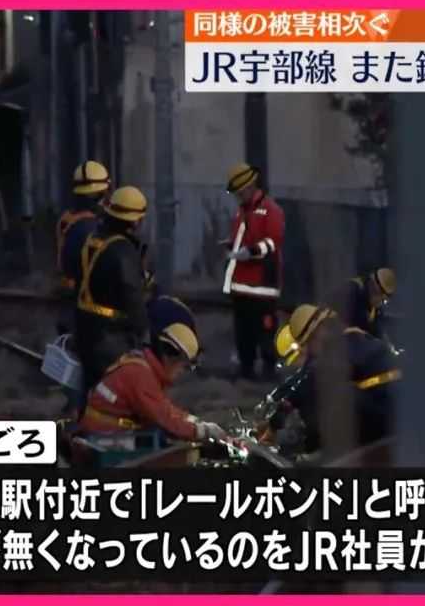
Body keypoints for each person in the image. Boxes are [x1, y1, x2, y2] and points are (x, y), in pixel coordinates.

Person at [267, 304, 401, 455]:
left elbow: (310, 385)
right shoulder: (353, 339)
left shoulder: (340, 348)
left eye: (309, 343)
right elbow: (307, 378)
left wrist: (275, 424)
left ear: (319, 332)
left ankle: (305, 451)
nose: (310, 350)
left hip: (386, 419)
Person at [73, 186, 151, 413]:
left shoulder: (93, 239)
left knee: (90, 387)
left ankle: (84, 423)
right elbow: (131, 295)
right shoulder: (123, 250)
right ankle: (104, 429)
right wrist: (143, 334)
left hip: (85, 325)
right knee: (111, 392)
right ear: (135, 221)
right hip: (111, 336)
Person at [79, 322, 226, 442]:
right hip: (102, 435)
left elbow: (164, 407)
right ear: (171, 357)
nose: (183, 372)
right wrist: (201, 431)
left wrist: (193, 420)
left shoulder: (142, 363)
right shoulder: (140, 375)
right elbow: (164, 420)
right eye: (185, 366)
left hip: (101, 430)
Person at [222, 162, 286, 382]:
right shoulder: (242, 211)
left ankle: (269, 370)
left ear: (250, 187)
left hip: (263, 287)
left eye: (240, 192)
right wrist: (231, 246)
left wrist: (250, 252)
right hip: (241, 287)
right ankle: (246, 370)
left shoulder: (271, 210)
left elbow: (273, 241)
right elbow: (241, 239)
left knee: (265, 330)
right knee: (244, 332)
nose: (238, 197)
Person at [57, 161, 110, 334]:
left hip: (69, 300)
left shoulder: (68, 219)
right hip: (88, 307)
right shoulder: (91, 228)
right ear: (101, 194)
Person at [346, 267, 397, 339]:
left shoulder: (375, 308)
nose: (381, 303)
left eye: (384, 301)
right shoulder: (352, 290)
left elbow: (377, 331)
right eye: (381, 298)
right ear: (372, 287)